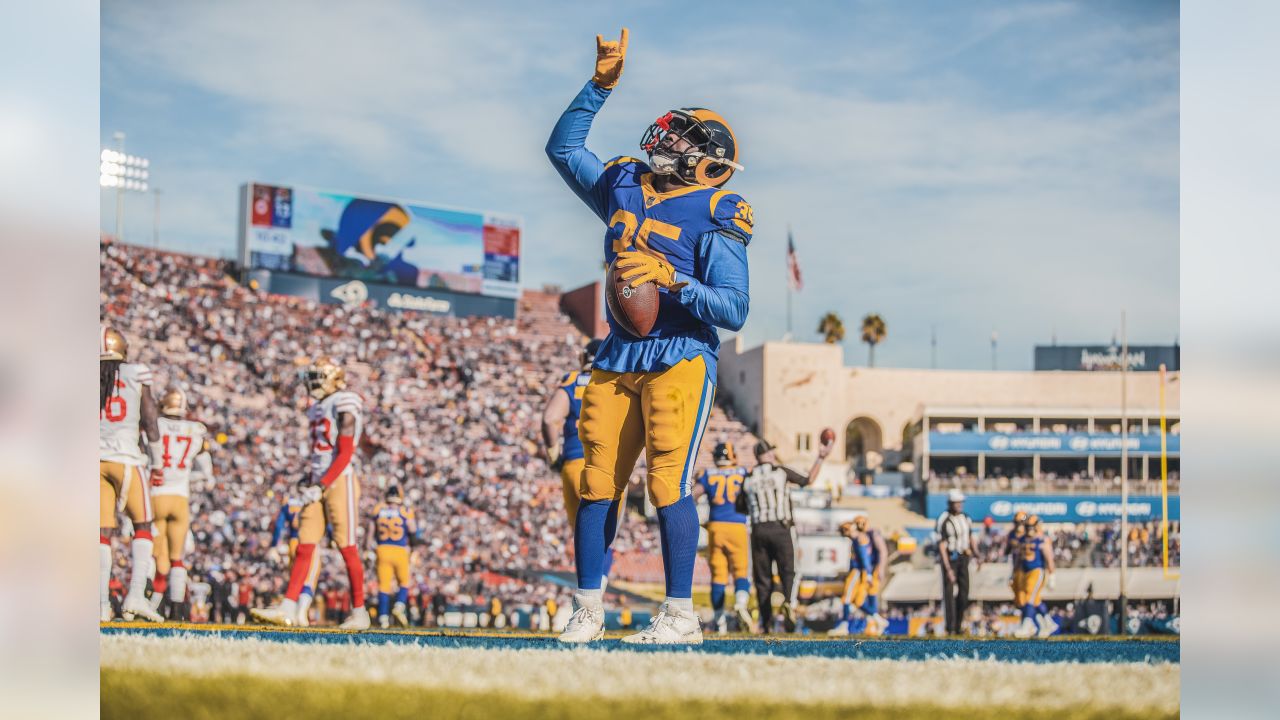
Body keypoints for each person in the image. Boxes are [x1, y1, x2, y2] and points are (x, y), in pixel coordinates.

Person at [546, 28, 752, 645]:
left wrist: (673, 278)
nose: (665, 137)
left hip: (680, 354)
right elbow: (563, 148)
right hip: (616, 353)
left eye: (684, 137)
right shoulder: (625, 181)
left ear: (708, 158)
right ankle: (587, 608)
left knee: (667, 481)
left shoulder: (718, 209)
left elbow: (735, 309)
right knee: (596, 483)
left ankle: (679, 613)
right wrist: (598, 87)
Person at [253, 357, 369, 629]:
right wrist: (311, 479)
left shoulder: (345, 400)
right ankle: (289, 606)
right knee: (304, 542)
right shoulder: (318, 407)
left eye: (319, 378)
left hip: (340, 480)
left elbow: (346, 451)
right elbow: (322, 451)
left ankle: (360, 611)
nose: (313, 384)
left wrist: (322, 483)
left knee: (347, 545)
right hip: (319, 482)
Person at [541, 338, 624, 591]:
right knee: (606, 537)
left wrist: (554, 454)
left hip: (575, 463)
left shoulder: (572, 381)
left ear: (582, 358)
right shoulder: (618, 379)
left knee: (583, 536)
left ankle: (587, 598)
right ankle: (596, 593)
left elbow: (549, 419)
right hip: (610, 465)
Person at [99, 325, 164, 623]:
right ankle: (135, 596)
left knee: (101, 534)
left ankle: (100, 603)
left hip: (95, 460)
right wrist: (158, 461)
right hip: (127, 459)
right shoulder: (136, 373)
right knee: (143, 526)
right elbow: (150, 421)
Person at [737, 437, 831, 633]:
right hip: (781, 528)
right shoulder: (780, 472)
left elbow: (740, 507)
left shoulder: (748, 478)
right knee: (789, 571)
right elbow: (808, 480)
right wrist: (821, 458)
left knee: (762, 579)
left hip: (759, 530)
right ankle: (789, 602)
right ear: (767, 455)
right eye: (770, 451)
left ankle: (766, 621)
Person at [148, 387, 211, 620]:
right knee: (177, 559)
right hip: (180, 497)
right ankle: (176, 610)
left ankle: (148, 604)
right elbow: (206, 469)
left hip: (157, 494)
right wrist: (193, 476)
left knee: (152, 555)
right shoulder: (195, 429)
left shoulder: (155, 424)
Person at [693, 442, 752, 633]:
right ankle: (741, 604)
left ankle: (720, 621)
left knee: (718, 576)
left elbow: (694, 494)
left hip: (716, 528)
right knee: (741, 571)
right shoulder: (743, 472)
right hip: (737, 526)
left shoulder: (708, 474)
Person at [829, 515, 889, 636]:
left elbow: (864, 557)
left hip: (859, 571)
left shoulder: (860, 538)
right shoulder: (862, 537)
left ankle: (844, 625)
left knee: (847, 597)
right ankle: (878, 620)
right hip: (864, 571)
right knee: (858, 601)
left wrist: (870, 574)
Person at [370, 484, 416, 628]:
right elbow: (413, 529)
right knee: (404, 582)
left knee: (383, 586)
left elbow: (370, 533)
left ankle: (383, 618)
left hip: (382, 549)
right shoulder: (405, 510)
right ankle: (399, 606)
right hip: (400, 550)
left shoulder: (378, 509)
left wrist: (367, 549)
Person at [936, 488, 980, 635]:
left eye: (960, 502)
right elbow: (941, 544)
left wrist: (977, 554)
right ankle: (950, 627)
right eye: (956, 502)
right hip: (950, 557)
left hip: (963, 557)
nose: (959, 505)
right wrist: (947, 567)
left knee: (964, 592)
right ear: (950, 503)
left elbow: (970, 538)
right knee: (948, 593)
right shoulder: (944, 519)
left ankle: (959, 624)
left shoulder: (966, 518)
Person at [1014, 515, 1058, 637]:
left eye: (1031, 526)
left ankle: (1027, 625)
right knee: (1031, 600)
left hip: (1037, 571)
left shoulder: (1042, 539)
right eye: (1027, 526)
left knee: (1029, 597)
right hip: (1024, 571)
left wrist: (1052, 575)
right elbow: (1018, 557)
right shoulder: (1022, 539)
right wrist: (1014, 572)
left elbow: (1049, 558)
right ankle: (1048, 623)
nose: (1029, 529)